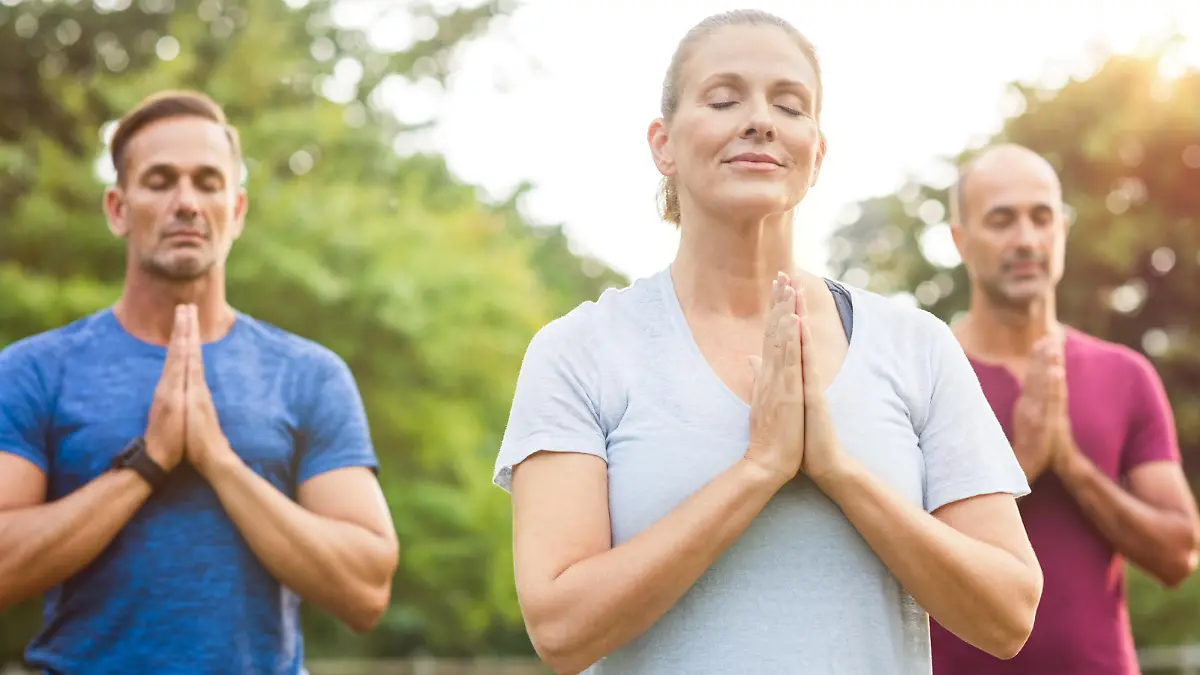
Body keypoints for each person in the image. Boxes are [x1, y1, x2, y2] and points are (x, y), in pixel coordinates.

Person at [492, 11, 1044, 675]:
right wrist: (757, 470)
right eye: (724, 99)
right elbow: (560, 628)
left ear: (817, 152)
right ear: (663, 144)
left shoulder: (916, 346)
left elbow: (1008, 613)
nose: (760, 120)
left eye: (789, 104)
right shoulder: (579, 350)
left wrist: (839, 471)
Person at [0, 91, 399, 674]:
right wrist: (148, 461)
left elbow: (366, 590)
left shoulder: (310, 374)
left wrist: (219, 461)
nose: (186, 202)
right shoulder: (35, 370)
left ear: (236, 210)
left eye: (208, 182)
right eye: (160, 181)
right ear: (117, 208)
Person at [930, 143, 1200, 674]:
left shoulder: (1124, 375)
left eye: (1041, 217)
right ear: (961, 241)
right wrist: (1021, 466)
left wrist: (1073, 467)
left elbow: (1179, 555)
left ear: (1063, 231)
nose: (1026, 239)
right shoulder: (922, 372)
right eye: (1001, 220)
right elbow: (888, 546)